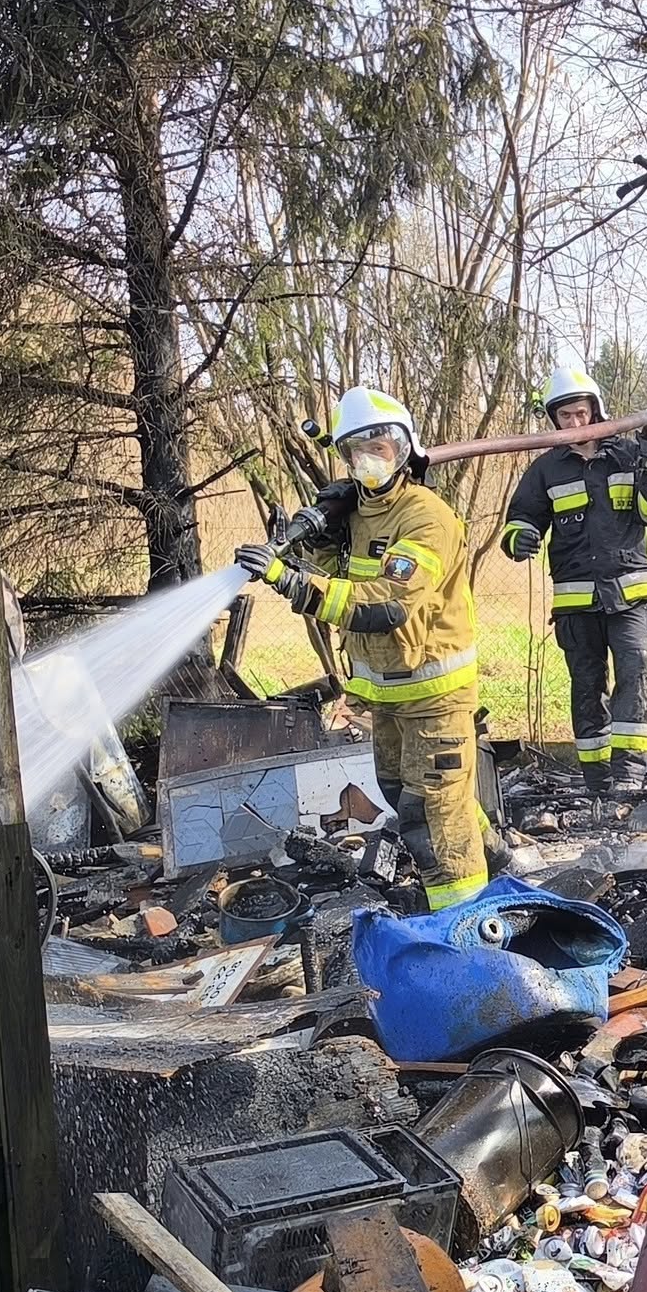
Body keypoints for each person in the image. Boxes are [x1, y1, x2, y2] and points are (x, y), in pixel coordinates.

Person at [235, 386, 501, 910]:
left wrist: (292, 583)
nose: (370, 459)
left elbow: (387, 605)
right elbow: (345, 578)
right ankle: (496, 862)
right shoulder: (357, 516)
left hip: (435, 699)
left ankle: (465, 927)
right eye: (357, 450)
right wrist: (320, 541)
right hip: (388, 699)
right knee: (411, 796)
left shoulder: (426, 517)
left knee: (432, 818)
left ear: (405, 449)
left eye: (381, 446)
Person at [499, 361, 647, 795]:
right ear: (553, 419)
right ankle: (597, 782)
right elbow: (521, 518)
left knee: (636, 671)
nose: (574, 423)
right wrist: (520, 538)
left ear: (596, 411)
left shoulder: (630, 455)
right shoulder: (546, 470)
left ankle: (629, 777)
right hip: (576, 604)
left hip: (631, 598)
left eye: (581, 414)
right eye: (565, 416)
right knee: (588, 688)